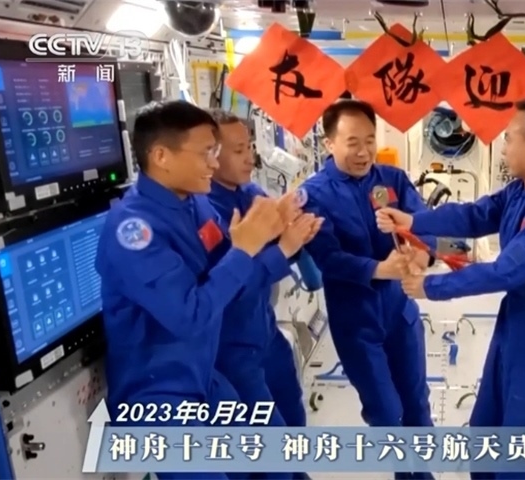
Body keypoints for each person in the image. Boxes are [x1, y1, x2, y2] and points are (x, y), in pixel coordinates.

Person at [376, 97, 525, 480]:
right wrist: (414, 221)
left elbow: (505, 272)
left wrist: (431, 286)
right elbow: (476, 215)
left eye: (509, 138)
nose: (503, 146)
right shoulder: (522, 190)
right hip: (512, 330)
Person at [97, 100, 306, 479]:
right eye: (206, 152)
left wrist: (272, 239)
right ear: (161, 156)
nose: (214, 162)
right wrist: (245, 249)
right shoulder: (133, 231)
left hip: (204, 379)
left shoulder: (196, 205)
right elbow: (190, 314)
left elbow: (231, 282)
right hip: (158, 396)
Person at [301, 100, 436, 480]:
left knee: (416, 403)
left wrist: (421, 255)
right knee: (386, 411)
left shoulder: (392, 180)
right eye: (352, 142)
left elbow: (425, 224)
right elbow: (327, 258)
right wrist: (380, 268)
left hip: (400, 313)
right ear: (329, 143)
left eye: (370, 140)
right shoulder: (314, 195)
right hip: (356, 318)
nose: (363, 152)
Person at [205, 109, 321, 480]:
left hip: (266, 336)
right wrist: (283, 248)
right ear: (211, 154)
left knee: (293, 424)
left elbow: (281, 241)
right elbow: (230, 287)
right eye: (238, 150)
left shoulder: (252, 194)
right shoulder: (206, 213)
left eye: (250, 147)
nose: (250, 157)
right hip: (231, 349)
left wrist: (296, 233)